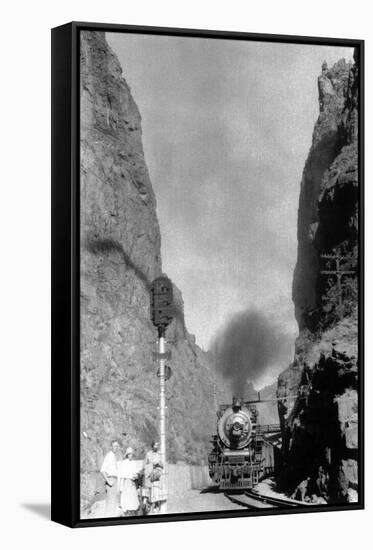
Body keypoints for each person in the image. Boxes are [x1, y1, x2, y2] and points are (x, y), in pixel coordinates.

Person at [100, 440, 122, 517]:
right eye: (114, 446)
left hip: (115, 480)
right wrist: (108, 481)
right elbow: (102, 470)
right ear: (111, 447)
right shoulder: (109, 455)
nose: (115, 448)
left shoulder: (114, 456)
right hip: (111, 480)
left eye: (117, 446)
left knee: (113, 503)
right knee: (110, 503)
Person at [118, 447, 140, 516]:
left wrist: (136, 476)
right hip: (126, 481)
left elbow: (136, 472)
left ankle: (132, 510)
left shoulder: (134, 463)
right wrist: (121, 485)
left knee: (133, 496)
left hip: (132, 482)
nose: (130, 456)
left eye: (131, 454)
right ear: (127, 455)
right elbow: (122, 474)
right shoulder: (124, 463)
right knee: (126, 496)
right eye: (129, 454)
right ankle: (126, 510)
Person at [143, 441, 164, 514]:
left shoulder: (159, 454)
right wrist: (149, 466)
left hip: (156, 474)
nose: (156, 446)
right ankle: (146, 505)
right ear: (152, 446)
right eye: (155, 445)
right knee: (147, 489)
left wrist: (158, 463)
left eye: (157, 445)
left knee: (156, 490)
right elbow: (144, 464)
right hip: (149, 474)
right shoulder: (148, 454)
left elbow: (162, 464)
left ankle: (156, 507)